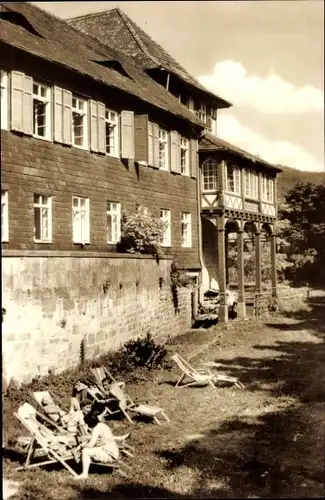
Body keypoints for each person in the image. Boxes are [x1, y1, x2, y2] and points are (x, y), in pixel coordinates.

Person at [74, 402, 119, 479]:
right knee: (88, 449)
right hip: (113, 451)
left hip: (109, 455)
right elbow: (97, 440)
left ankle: (84, 474)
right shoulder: (102, 425)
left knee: (85, 451)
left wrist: (82, 446)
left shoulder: (96, 429)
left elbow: (91, 444)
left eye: (87, 424)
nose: (87, 426)